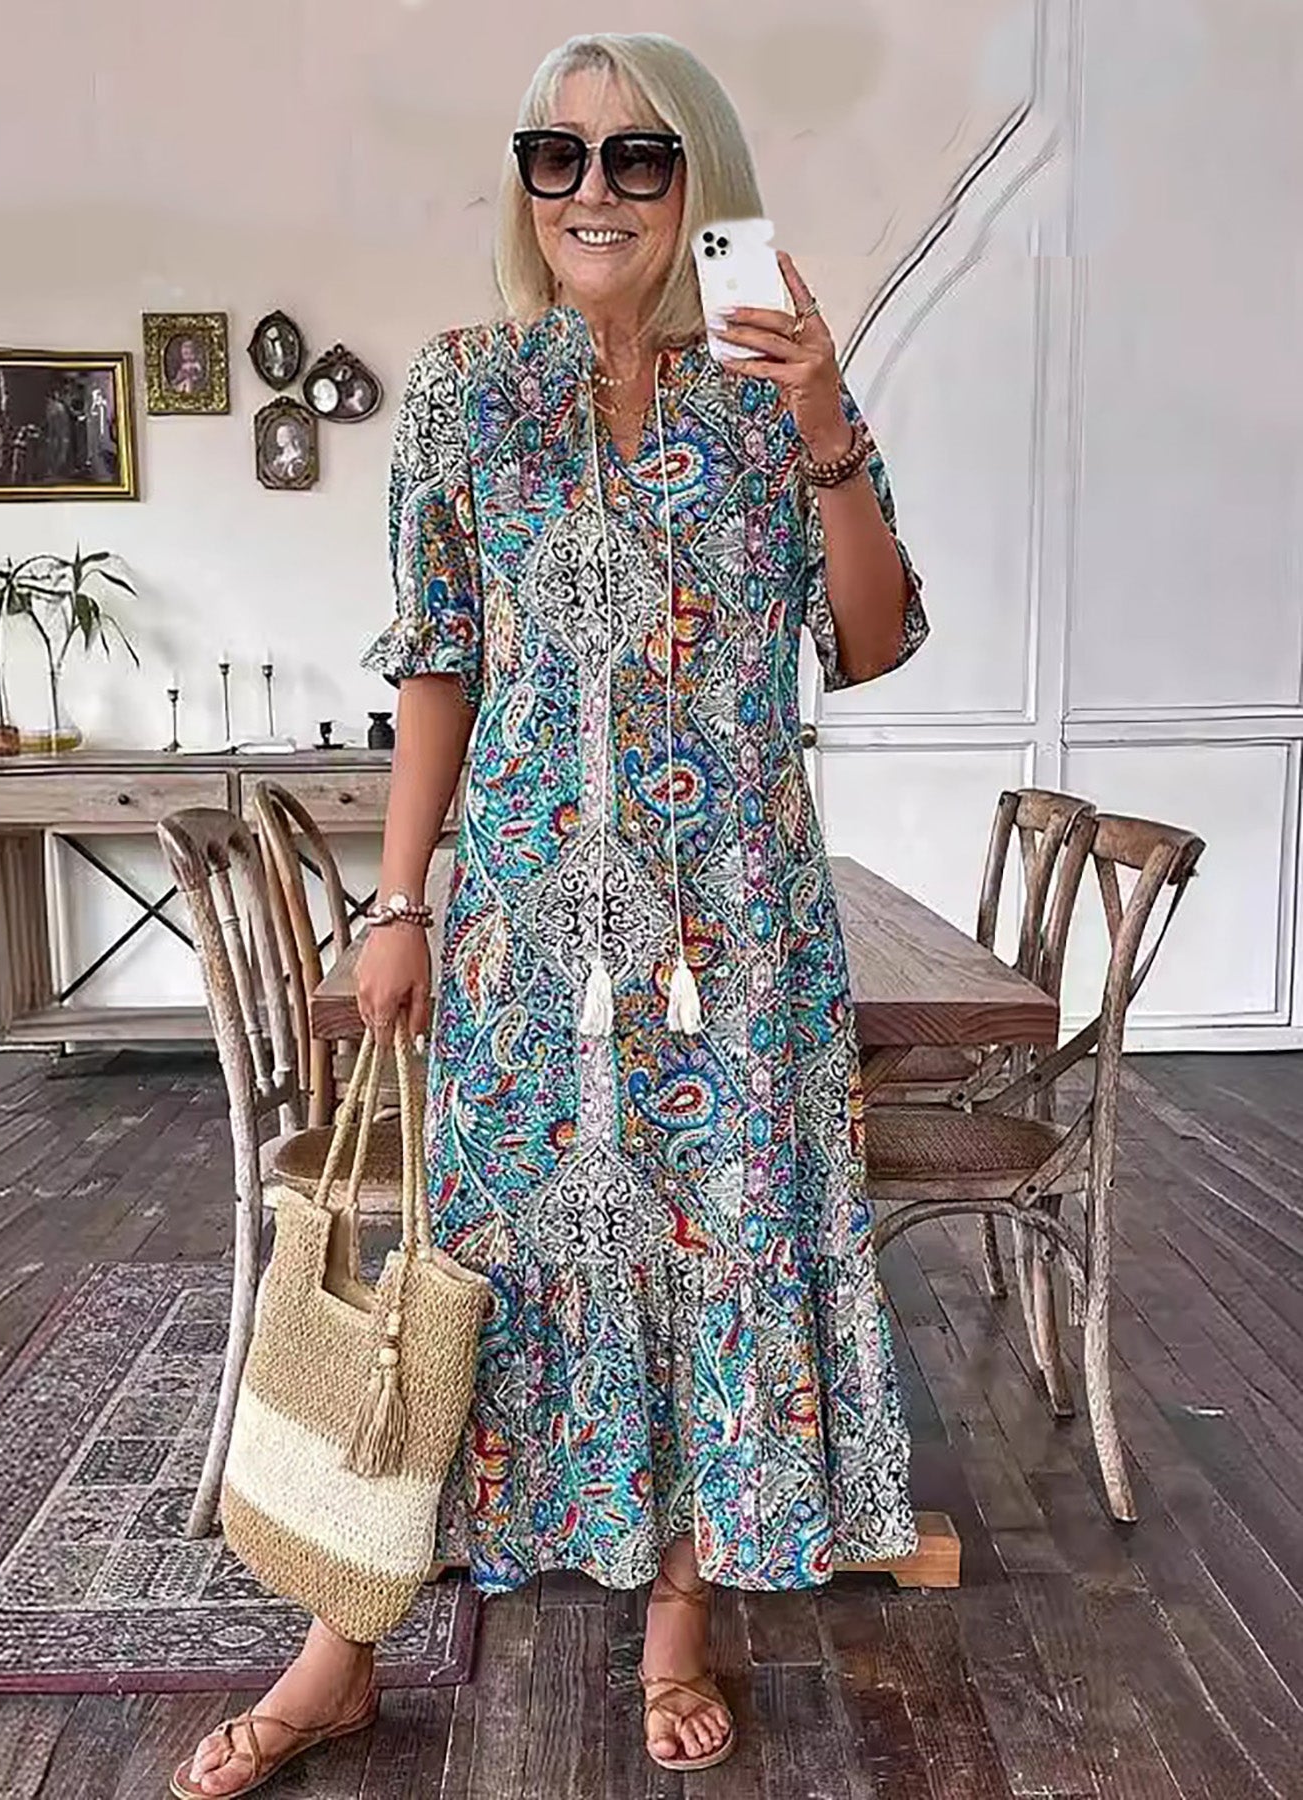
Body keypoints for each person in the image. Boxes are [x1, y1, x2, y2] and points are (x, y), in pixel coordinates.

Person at [173, 30, 927, 1797]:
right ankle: (341, 1649)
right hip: (521, 930)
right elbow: (438, 660)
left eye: (638, 156)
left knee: (715, 1248)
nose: (593, 189)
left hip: (733, 933)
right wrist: (397, 901)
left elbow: (872, 639)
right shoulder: (463, 391)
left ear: (699, 180)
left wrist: (826, 428)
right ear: (526, 185)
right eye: (557, 154)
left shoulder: (778, 395)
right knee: (477, 1269)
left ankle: (676, 1623)